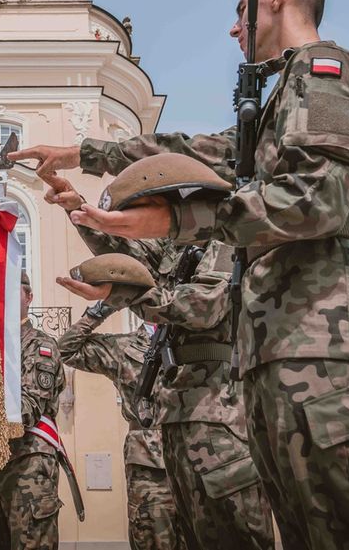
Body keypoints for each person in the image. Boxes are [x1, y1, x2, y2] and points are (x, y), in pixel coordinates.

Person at [13, 0, 349, 548]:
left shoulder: (325, 72)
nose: (233, 29)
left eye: (242, 11)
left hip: (332, 341)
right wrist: (83, 154)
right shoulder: (275, 107)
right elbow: (188, 152)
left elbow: (318, 199)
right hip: (277, 347)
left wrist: (183, 217)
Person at [48, 175, 270, 550]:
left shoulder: (221, 244)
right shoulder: (175, 251)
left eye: (146, 211)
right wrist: (79, 210)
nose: (137, 220)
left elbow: (203, 309)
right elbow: (124, 260)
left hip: (220, 420)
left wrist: (124, 295)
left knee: (232, 535)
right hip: (175, 423)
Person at [56, 303, 184, 550]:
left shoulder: (195, 338)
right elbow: (66, 349)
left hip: (198, 455)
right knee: (153, 539)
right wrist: (103, 308)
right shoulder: (122, 347)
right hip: (150, 465)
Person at [0, 273, 65, 550]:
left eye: (12, 290)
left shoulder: (40, 345)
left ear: (29, 297)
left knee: (31, 541)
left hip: (28, 460)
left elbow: (28, 405)